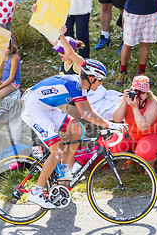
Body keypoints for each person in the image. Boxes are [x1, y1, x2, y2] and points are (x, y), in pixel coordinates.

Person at [21, 60, 123, 209]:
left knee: (78, 129)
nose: (101, 83)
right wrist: (111, 124)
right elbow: (86, 113)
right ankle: (36, 191)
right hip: (33, 107)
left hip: (46, 108)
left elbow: (89, 111)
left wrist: (109, 124)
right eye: (100, 79)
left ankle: (64, 169)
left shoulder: (81, 87)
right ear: (91, 77)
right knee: (58, 150)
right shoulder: (75, 84)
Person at [112, 75, 157, 170]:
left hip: (152, 135)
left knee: (144, 151)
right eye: (136, 92)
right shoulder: (129, 100)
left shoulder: (153, 103)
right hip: (131, 135)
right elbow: (117, 119)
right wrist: (123, 101)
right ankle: (133, 157)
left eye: (142, 92)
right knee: (111, 144)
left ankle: (149, 163)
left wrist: (134, 107)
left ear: (148, 93)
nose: (138, 95)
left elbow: (143, 126)